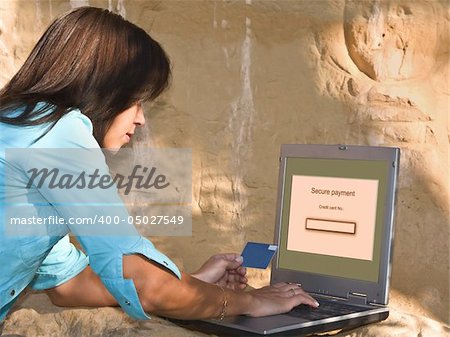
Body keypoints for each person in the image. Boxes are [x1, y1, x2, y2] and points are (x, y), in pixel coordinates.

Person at [0, 6, 318, 325]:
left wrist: (190, 282)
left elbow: (68, 284)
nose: (140, 118)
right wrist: (249, 302)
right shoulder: (59, 135)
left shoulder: (23, 127)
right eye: (136, 100)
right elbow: (148, 287)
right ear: (103, 88)